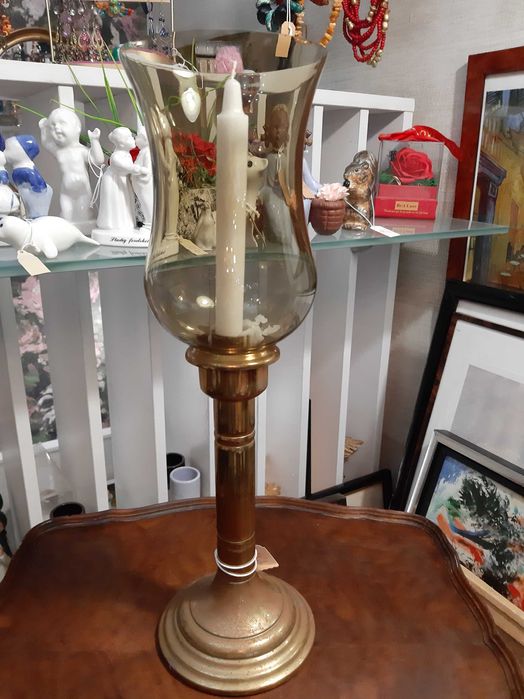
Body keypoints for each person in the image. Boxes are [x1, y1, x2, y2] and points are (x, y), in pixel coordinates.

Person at [39, 108, 105, 226]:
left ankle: (84, 232)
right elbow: (46, 143)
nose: (56, 128)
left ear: (77, 128)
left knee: (84, 216)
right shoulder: (59, 151)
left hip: (82, 190)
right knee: (66, 216)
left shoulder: (81, 150)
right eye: (53, 126)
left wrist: (95, 141)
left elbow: (98, 160)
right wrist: (44, 129)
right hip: (66, 191)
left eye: (62, 123)